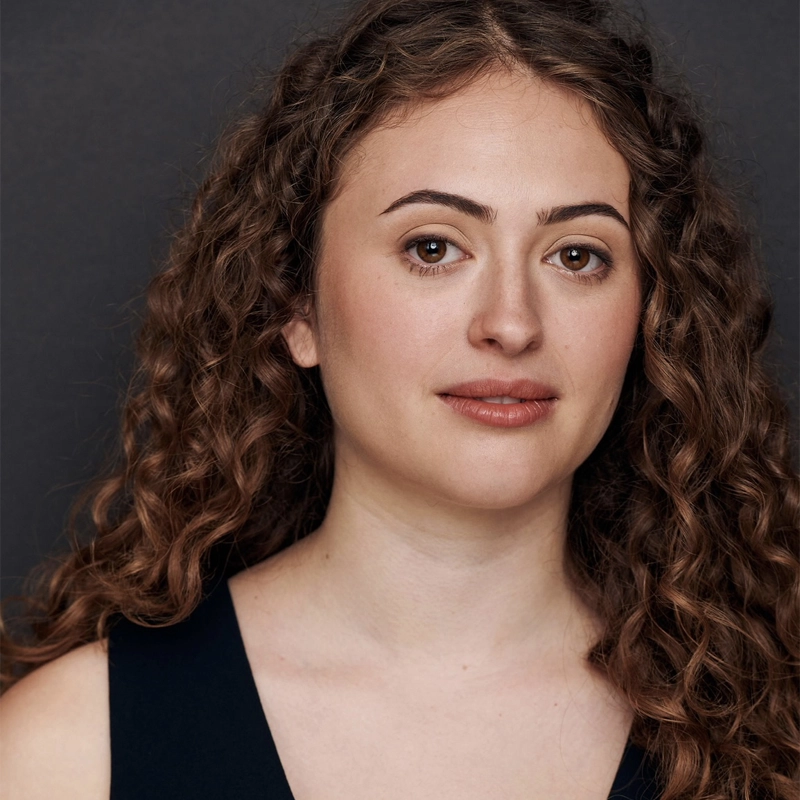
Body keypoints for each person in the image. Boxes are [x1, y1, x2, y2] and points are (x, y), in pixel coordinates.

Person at [1, 0, 798, 798]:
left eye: (578, 255)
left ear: (650, 315)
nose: (512, 323)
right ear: (296, 306)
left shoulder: (773, 727)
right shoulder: (69, 752)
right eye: (433, 248)